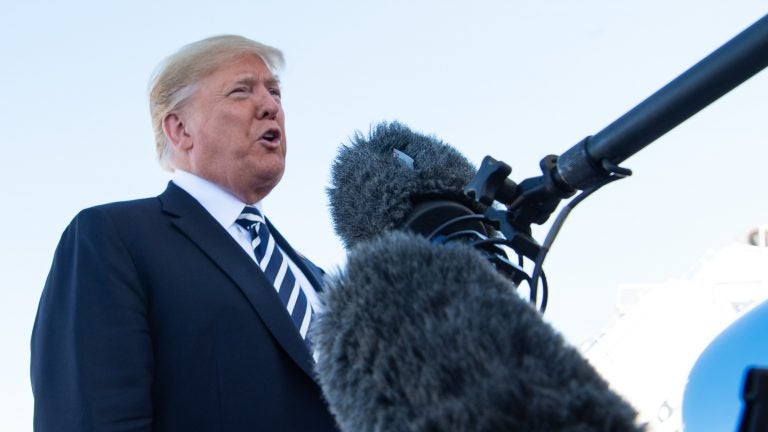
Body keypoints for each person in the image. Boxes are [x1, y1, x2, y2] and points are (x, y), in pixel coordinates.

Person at [30, 35, 339, 431]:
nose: (270, 106)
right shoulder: (113, 238)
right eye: (241, 91)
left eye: (274, 91)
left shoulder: (321, 281)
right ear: (179, 130)